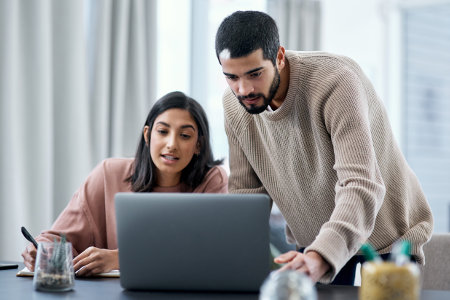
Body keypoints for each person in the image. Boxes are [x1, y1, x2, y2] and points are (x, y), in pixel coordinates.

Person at [215, 10, 433, 285]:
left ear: (279, 57)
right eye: (231, 77)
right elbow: (247, 196)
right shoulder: (234, 106)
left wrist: (320, 255)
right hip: (313, 244)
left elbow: (360, 184)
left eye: (255, 74)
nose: (244, 89)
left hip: (386, 241)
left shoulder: (335, 81)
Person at [22, 91, 228, 276]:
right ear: (147, 135)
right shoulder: (108, 174)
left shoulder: (212, 180)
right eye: (163, 132)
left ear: (198, 145)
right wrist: (40, 250)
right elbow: (59, 238)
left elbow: (206, 251)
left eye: (184, 136)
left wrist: (119, 258)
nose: (172, 144)